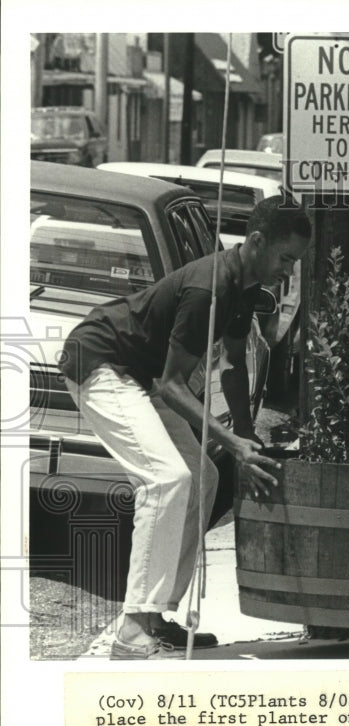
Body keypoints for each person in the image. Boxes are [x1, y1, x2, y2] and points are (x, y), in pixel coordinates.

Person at [59, 196, 312, 659]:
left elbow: (234, 363)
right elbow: (172, 385)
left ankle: (155, 616)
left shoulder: (247, 287)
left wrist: (247, 431)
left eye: (295, 261)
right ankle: (133, 630)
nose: (288, 272)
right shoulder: (207, 289)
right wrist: (233, 443)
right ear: (257, 242)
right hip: (100, 363)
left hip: (138, 374)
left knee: (203, 477)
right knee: (166, 479)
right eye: (285, 258)